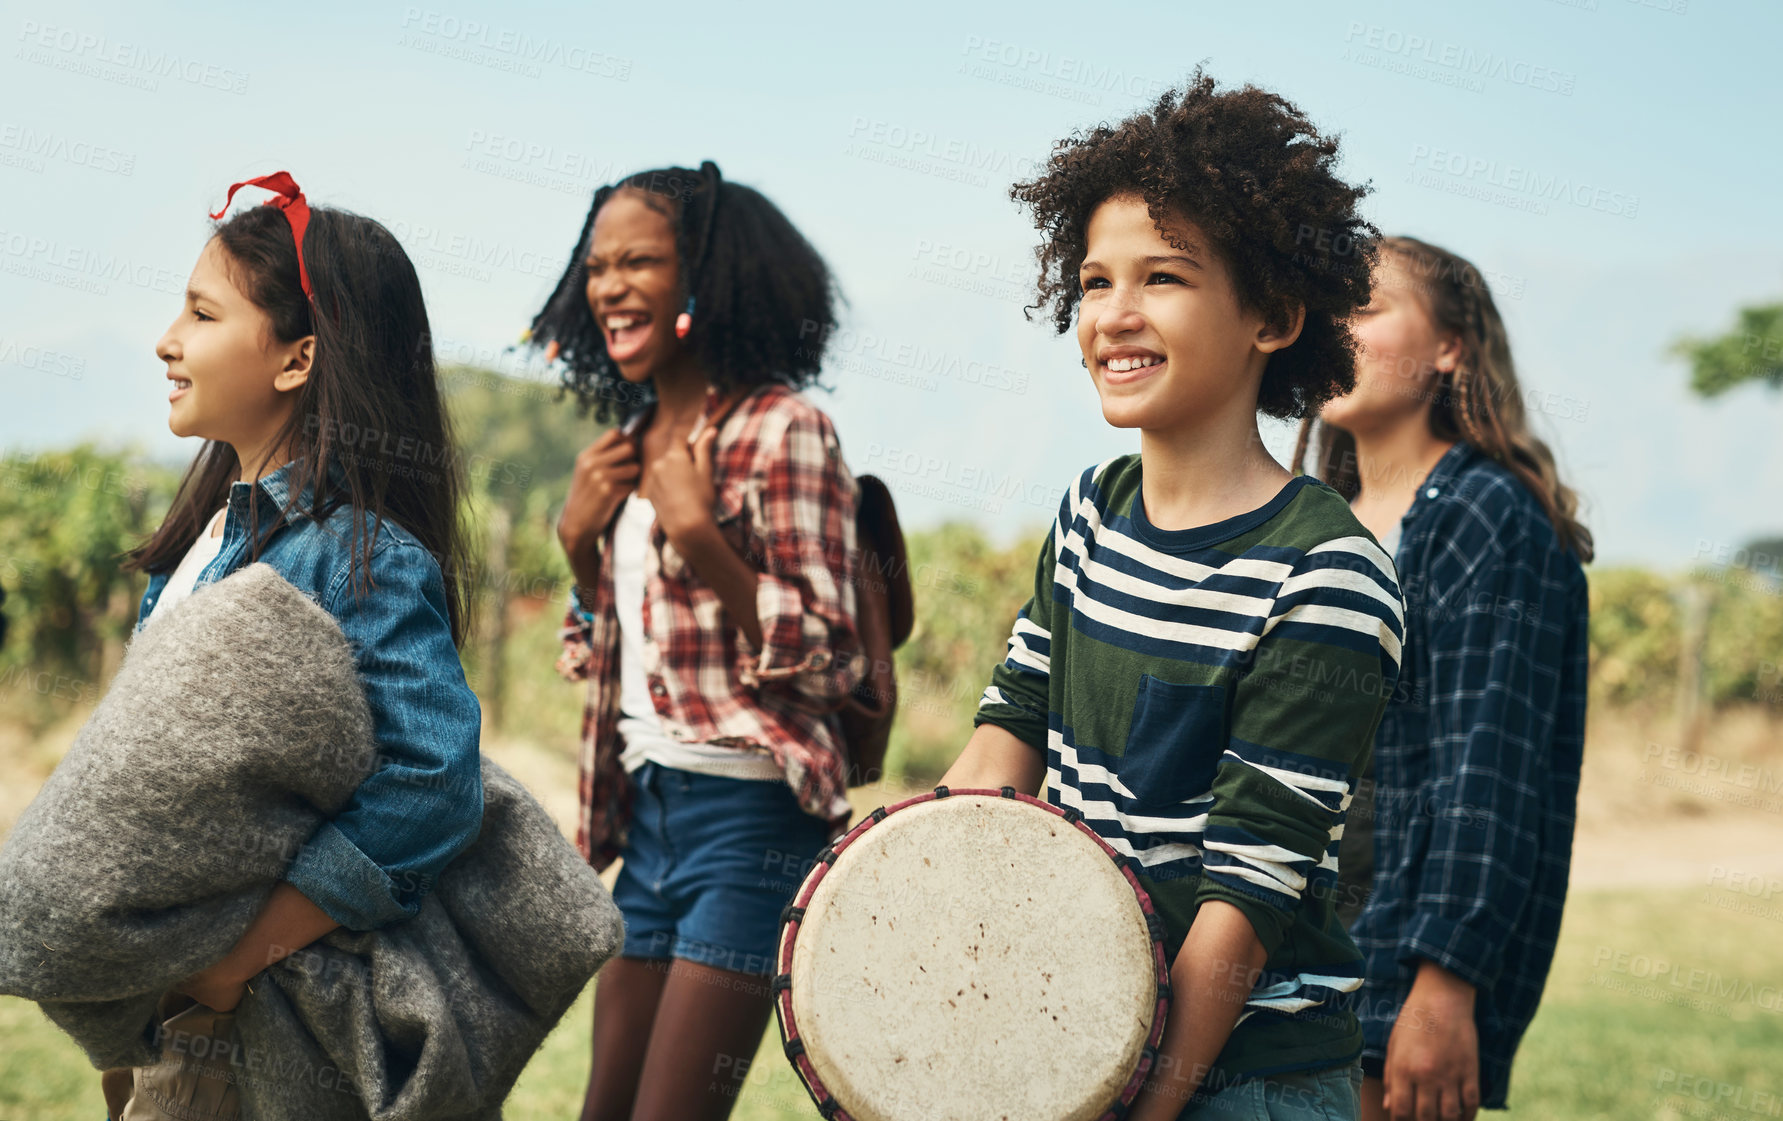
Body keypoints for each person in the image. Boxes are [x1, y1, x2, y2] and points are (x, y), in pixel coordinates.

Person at [941, 73, 1404, 1121]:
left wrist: (1142, 1102)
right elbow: (1004, 741)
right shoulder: (1092, 511)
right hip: (1076, 1035)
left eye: (1163, 278)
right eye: (1095, 281)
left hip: (1243, 1074)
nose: (1115, 315)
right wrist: (902, 902)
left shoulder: (1325, 573)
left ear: (1274, 316)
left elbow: (1245, 898)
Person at [103, 173, 483, 1118]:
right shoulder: (199, 545)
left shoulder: (356, 555)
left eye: (200, 312)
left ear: (296, 357)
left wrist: (238, 959)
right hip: (171, 1002)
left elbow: (431, 782)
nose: (167, 339)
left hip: (266, 1024)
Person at [526, 160, 867, 1121]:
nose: (608, 286)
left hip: (749, 824)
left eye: (640, 260)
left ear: (704, 278)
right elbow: (605, 657)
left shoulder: (783, 431)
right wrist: (577, 547)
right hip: (650, 817)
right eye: (597, 266)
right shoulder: (626, 446)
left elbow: (835, 657)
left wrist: (703, 542)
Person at [1303, 236, 1592, 1120]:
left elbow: (1490, 775)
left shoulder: (1484, 514)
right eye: (1326, 310)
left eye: (1367, 306)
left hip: (1391, 976)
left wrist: (1444, 981)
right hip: (1279, 970)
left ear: (1450, 348)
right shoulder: (1310, 523)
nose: (1333, 329)